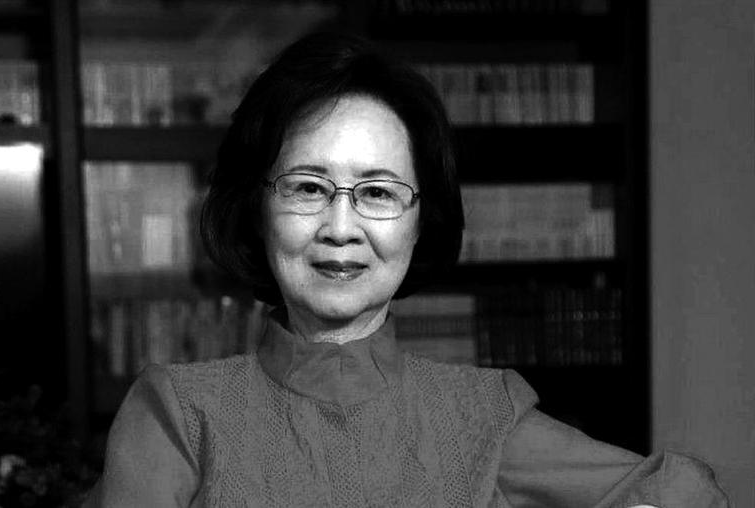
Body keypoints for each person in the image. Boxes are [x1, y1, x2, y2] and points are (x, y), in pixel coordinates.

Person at [84, 32, 728, 507]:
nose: (341, 227)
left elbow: (681, 493)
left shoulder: (485, 417)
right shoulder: (178, 412)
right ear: (257, 209)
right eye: (308, 187)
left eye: (378, 192)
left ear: (421, 223)